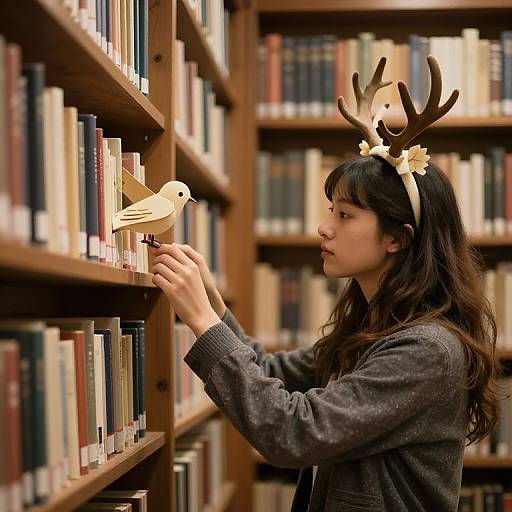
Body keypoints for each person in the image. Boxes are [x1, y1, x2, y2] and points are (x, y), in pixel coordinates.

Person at [150, 57, 500, 511]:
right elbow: (273, 378)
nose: (323, 228)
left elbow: (293, 432)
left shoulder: (427, 349)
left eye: (344, 215)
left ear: (397, 238)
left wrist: (202, 323)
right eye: (330, 210)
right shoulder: (377, 325)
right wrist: (215, 314)